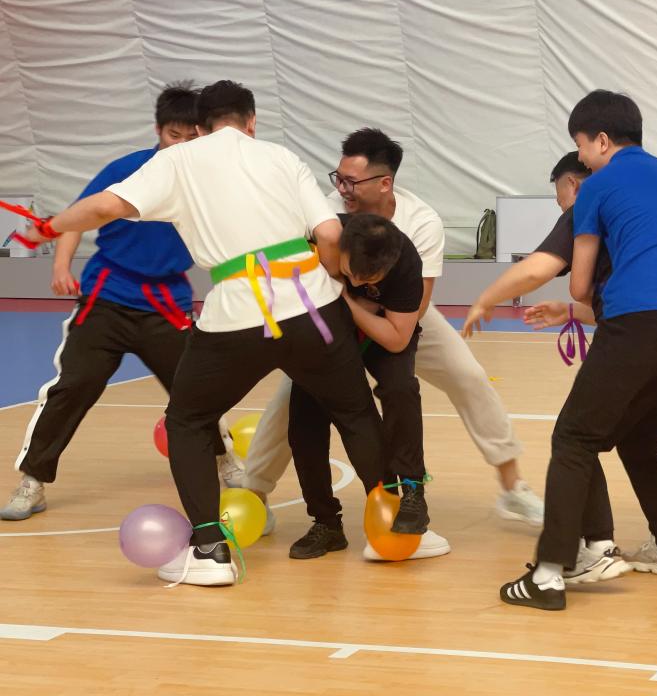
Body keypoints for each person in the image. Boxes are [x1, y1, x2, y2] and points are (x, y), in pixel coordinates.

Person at [23, 80, 386, 587]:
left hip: (237, 314)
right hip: (312, 307)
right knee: (355, 411)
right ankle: (395, 529)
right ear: (251, 121)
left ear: (198, 127)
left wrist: (46, 228)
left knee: (188, 421)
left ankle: (211, 552)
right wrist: (325, 282)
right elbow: (329, 235)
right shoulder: (281, 156)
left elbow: (103, 208)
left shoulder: (177, 161)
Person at [498, 91, 657, 611]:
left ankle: (549, 574)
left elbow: (579, 285)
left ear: (601, 141)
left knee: (574, 437)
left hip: (638, 324)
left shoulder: (597, 184)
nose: (581, 156)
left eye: (581, 146)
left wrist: (567, 299)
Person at [242, 128, 543, 543]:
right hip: (337, 315)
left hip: (402, 313)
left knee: (468, 376)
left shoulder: (421, 222)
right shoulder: (326, 212)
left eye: (352, 182)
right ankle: (253, 494)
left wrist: (358, 307)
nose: (342, 189)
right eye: (338, 178)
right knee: (291, 398)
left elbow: (413, 312)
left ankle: (512, 487)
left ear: (385, 183)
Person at [1, 83, 244, 522]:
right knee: (73, 385)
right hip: (107, 298)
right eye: (173, 135)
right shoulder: (127, 169)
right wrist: (61, 266)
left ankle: (226, 459)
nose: (181, 144)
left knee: (195, 391)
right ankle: (33, 481)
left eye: (190, 137)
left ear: (203, 135)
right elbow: (78, 216)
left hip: (166, 304)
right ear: (158, 131)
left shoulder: (211, 180)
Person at [463, 152, 657, 583]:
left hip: (637, 341)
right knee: (637, 440)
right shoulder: (649, 214)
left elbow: (537, 267)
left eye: (559, 198)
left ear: (572, 184)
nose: (562, 207)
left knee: (576, 438)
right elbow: (639, 302)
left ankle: (597, 548)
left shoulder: (590, 204)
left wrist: (486, 297)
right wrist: (572, 311)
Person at [287, 213, 449, 561]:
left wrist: (345, 299)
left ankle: (411, 491)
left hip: (380, 331)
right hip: (326, 333)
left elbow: (397, 338)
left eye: (369, 279)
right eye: (350, 272)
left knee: (400, 387)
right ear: (338, 248)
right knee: (304, 419)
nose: (357, 281)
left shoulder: (405, 263)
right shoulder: (322, 238)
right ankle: (327, 523)